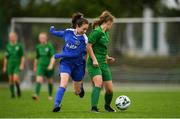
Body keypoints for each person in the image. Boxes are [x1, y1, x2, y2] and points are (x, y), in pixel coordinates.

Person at [49, 12, 89, 112]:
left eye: (86, 29)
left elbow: (75, 54)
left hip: (78, 65)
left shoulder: (84, 39)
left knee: (77, 92)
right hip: (66, 63)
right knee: (64, 83)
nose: (85, 31)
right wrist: (53, 31)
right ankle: (56, 105)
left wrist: (59, 55)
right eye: (83, 29)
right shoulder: (68, 31)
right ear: (77, 26)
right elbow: (61, 33)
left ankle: (80, 86)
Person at [86, 10, 116, 112]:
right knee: (98, 83)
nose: (111, 26)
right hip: (94, 63)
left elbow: (102, 48)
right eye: (112, 23)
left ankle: (107, 106)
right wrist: (94, 60)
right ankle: (94, 108)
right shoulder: (97, 32)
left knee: (110, 89)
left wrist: (107, 57)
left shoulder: (106, 33)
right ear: (108, 22)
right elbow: (89, 46)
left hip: (103, 63)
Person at [32, 32, 55, 100]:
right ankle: (36, 95)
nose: (42, 39)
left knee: (50, 81)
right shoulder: (38, 47)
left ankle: (50, 95)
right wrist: (35, 66)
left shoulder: (49, 46)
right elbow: (36, 57)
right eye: (40, 38)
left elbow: (53, 56)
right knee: (39, 79)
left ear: (46, 38)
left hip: (48, 66)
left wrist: (51, 65)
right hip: (40, 66)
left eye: (43, 37)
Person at [3, 32, 25, 98]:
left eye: (13, 36)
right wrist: (4, 66)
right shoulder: (8, 46)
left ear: (15, 37)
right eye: (10, 37)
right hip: (10, 65)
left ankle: (18, 89)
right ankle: (12, 94)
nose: (11, 38)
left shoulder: (19, 46)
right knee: (10, 80)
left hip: (17, 64)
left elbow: (22, 56)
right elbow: (6, 57)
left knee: (15, 79)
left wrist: (21, 64)